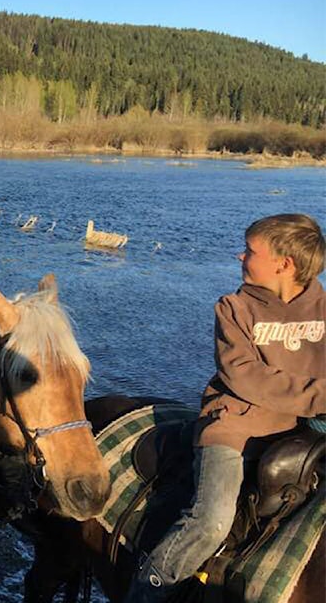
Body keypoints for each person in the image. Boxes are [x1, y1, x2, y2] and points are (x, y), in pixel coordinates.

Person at [125, 213, 326, 603]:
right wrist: (319, 398)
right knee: (212, 521)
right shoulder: (233, 308)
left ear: (284, 264)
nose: (240, 256)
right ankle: (146, 590)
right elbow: (244, 376)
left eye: (250, 251)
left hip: (302, 429)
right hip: (233, 426)